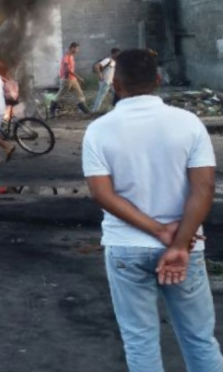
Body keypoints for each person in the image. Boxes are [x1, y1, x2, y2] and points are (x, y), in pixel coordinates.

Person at [82, 49, 222, 371]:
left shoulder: (99, 130)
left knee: (140, 341)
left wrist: (158, 231)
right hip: (186, 245)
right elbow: (203, 188)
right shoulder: (188, 123)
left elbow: (102, 194)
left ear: (115, 85)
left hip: (126, 247)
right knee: (199, 339)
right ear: (158, 80)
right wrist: (178, 243)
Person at [50, 42, 90, 118]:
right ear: (72, 48)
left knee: (79, 94)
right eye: (77, 49)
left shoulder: (71, 57)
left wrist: (76, 78)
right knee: (60, 95)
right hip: (66, 80)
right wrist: (78, 77)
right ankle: (52, 110)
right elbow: (68, 70)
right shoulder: (66, 57)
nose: (78, 50)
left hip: (73, 80)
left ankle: (86, 112)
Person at [92, 48, 121, 112]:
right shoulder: (108, 60)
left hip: (111, 83)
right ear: (113, 54)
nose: (118, 56)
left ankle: (114, 109)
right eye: (117, 54)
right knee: (101, 96)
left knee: (117, 94)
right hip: (105, 82)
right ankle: (94, 110)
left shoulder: (114, 62)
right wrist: (100, 75)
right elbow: (96, 66)